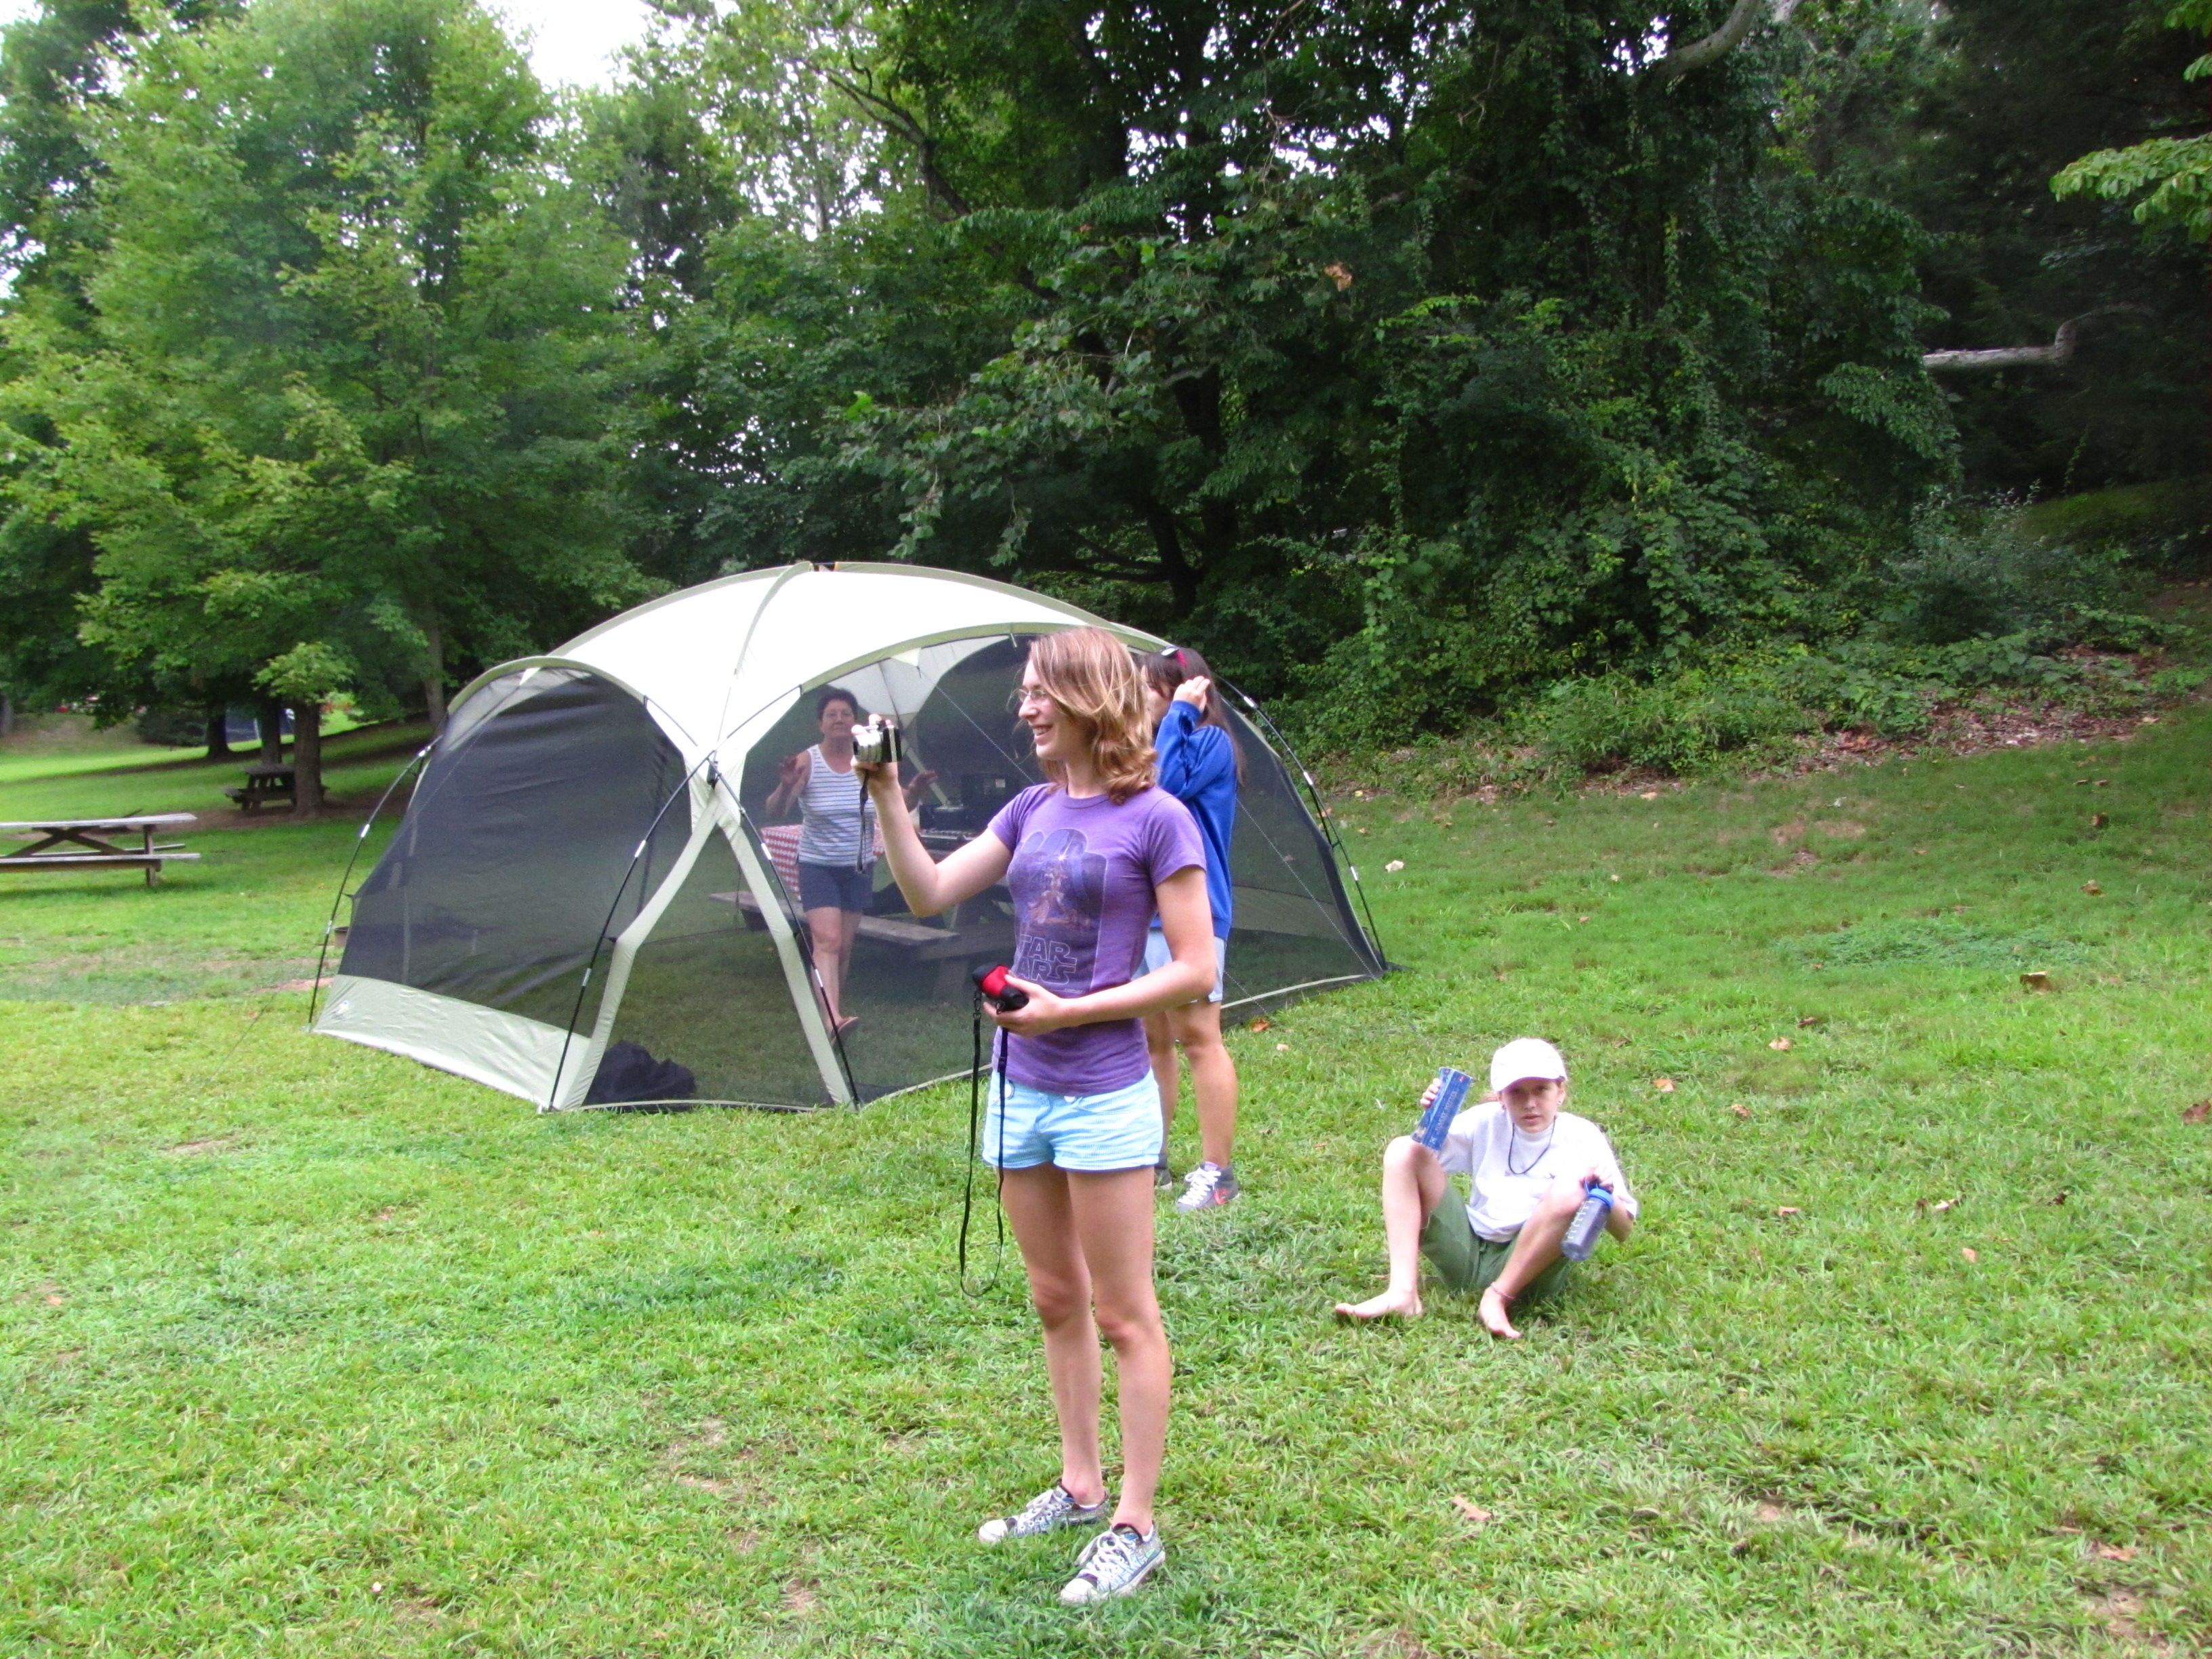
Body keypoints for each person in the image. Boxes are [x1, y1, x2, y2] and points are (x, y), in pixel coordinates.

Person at [859, 628, 1215, 1605]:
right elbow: (928, 892)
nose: (1024, 709)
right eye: (1023, 693)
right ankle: (1080, 1484)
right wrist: (887, 795)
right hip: (1021, 1085)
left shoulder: (1158, 820)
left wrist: (1075, 1011)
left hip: (1104, 1092)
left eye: (1038, 692)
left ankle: (1136, 1525)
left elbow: (1196, 968)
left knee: (1124, 1313)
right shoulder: (1030, 808)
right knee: (1056, 1299)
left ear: (1089, 697)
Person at [1334, 1038, 1638, 1340]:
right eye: (1516, 1092)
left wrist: (1604, 1195)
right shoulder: (1486, 1120)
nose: (1530, 1103)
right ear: (1501, 1096)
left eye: (1541, 1090)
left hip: (1532, 1271)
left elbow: (1624, 1230)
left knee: (1573, 1183)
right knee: (1403, 1150)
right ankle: (1402, 1293)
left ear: (1561, 1092)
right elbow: (1418, 1159)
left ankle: (1498, 1296)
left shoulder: (1582, 1135)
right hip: (1470, 1254)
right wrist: (1434, 1115)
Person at [1136, 648, 1244, 1212]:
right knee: (1151, 1040)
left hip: (1194, 911)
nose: (1140, 694)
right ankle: (1152, 1159)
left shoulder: (1209, 742)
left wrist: (1180, 713)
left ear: (1188, 688)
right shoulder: (1150, 745)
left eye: (1151, 685)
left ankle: (1218, 1173)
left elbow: (1167, 790)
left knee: (1199, 1038)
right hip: (1143, 913)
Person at [764, 686, 933, 1037]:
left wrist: (914, 792)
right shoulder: (808, 761)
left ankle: (834, 1011)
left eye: (845, 714)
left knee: (843, 947)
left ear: (854, 720)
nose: (839, 720)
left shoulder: (868, 755)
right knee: (827, 941)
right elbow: (776, 811)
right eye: (831, 715)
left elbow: (897, 801)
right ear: (820, 724)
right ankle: (832, 1019)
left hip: (858, 866)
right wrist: (785, 786)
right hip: (818, 865)